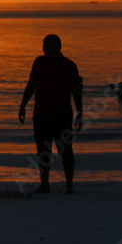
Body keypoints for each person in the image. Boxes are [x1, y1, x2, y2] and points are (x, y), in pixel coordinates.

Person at [18, 34, 83, 194]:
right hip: (41, 114)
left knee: (66, 150)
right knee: (43, 151)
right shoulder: (39, 63)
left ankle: (69, 184)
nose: (45, 50)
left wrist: (80, 113)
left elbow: (76, 92)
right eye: (44, 46)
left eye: (49, 47)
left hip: (62, 114)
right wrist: (22, 105)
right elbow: (31, 85)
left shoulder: (69, 66)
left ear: (58, 48)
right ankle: (45, 184)